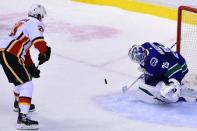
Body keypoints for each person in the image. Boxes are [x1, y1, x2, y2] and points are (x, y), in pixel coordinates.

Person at [0, 4, 51, 130]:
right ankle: (22, 119)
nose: (41, 20)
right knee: (27, 84)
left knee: (21, 82)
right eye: (41, 17)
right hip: (10, 53)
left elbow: (25, 49)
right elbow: (38, 41)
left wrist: (31, 67)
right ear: (39, 15)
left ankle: (19, 104)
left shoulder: (23, 22)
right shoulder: (35, 23)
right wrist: (45, 52)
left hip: (7, 52)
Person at [128, 42, 194, 104]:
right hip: (179, 59)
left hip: (179, 68)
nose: (139, 60)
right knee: (152, 76)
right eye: (136, 59)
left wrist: (147, 72)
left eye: (139, 57)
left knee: (152, 82)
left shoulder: (152, 62)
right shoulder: (146, 45)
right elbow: (156, 44)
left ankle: (178, 91)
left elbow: (155, 73)